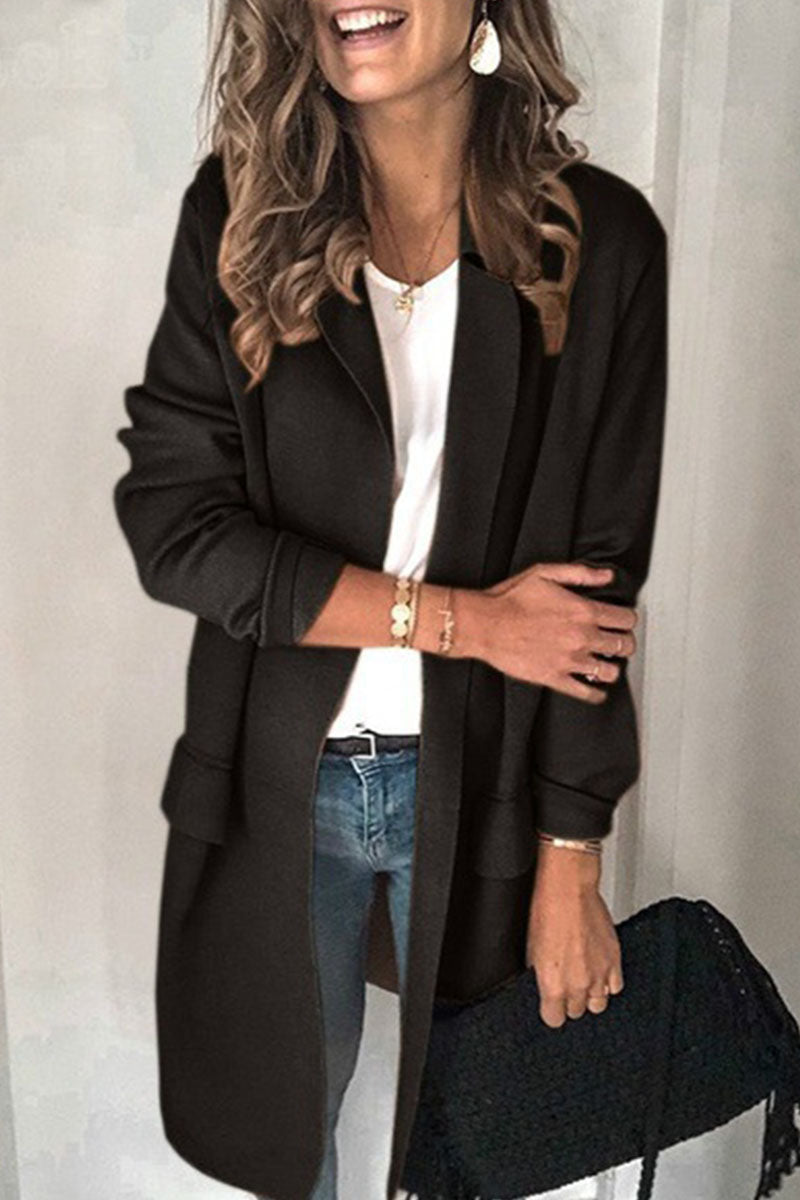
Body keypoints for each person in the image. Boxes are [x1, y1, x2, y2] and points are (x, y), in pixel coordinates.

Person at [113, 0, 668, 1197]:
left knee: (483, 1152)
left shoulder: (598, 240)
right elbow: (177, 526)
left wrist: (571, 850)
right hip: (278, 783)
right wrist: (466, 623)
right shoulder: (240, 213)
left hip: (486, 788)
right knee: (287, 1145)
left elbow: (593, 592)